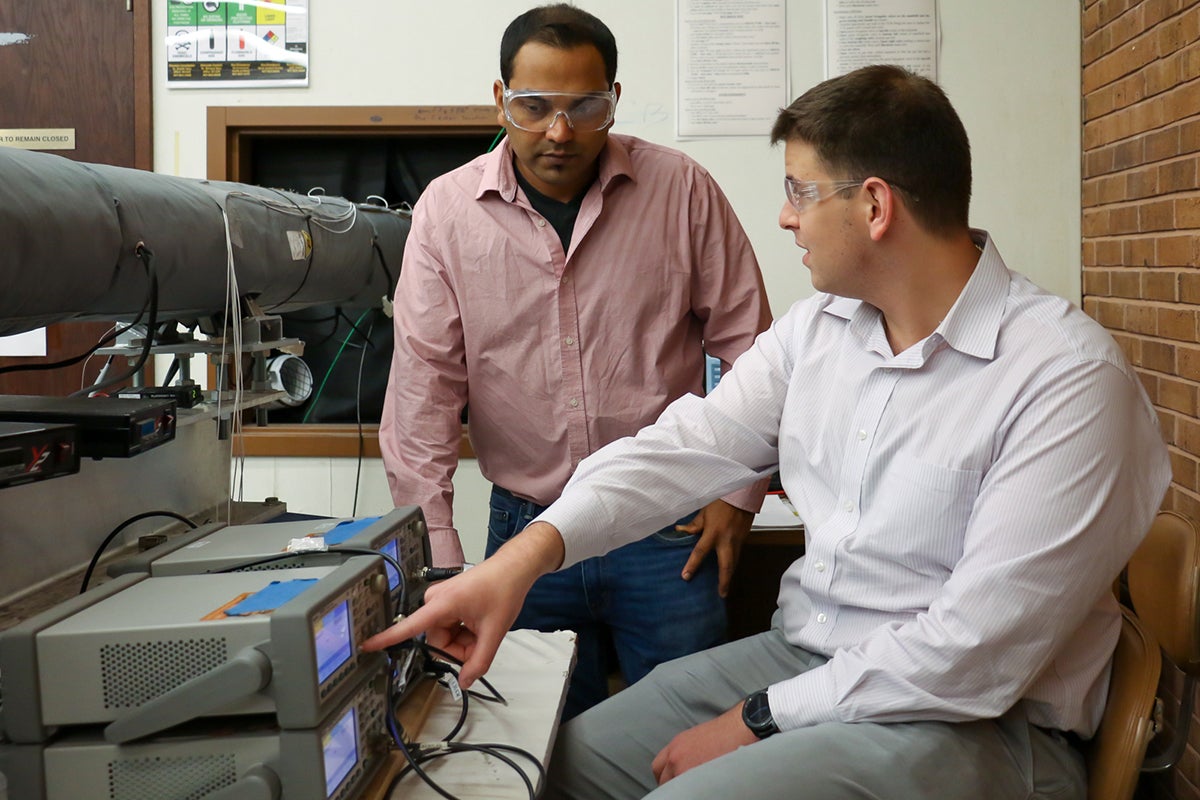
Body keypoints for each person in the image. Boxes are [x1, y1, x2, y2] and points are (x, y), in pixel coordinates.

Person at [367, 63, 1173, 799]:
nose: (785, 219)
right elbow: (686, 448)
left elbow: (974, 654)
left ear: (875, 205)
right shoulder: (822, 330)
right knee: (551, 770)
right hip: (808, 658)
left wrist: (757, 720)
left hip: (980, 720)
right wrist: (520, 561)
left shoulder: (1063, 379)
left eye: (799, 190)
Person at [377, 3, 772, 721]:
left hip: (668, 530)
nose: (559, 132)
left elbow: (750, 347)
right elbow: (424, 390)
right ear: (499, 99)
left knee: (686, 739)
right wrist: (437, 550)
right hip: (524, 531)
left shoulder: (681, 190)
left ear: (614, 99)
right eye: (534, 107)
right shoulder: (447, 211)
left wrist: (739, 493)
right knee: (539, 743)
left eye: (584, 107)